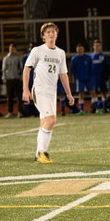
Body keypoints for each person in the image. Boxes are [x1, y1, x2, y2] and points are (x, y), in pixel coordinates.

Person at [22, 23, 74, 163]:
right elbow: (26, 69)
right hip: (40, 89)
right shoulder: (37, 50)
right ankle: (42, 153)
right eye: (48, 32)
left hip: (52, 92)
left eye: (53, 31)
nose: (51, 34)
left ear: (56, 34)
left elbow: (63, 74)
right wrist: (25, 89)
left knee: (45, 121)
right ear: (43, 36)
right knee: (51, 120)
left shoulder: (60, 53)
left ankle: (38, 154)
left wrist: (69, 94)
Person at [71, 43, 96, 114]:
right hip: (80, 79)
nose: (80, 50)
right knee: (81, 94)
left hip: (89, 78)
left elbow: (91, 67)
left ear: (83, 49)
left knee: (92, 92)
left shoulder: (88, 57)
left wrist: (89, 76)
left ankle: (95, 108)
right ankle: (81, 110)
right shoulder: (74, 59)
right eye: (78, 49)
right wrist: (78, 77)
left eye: (81, 49)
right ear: (76, 50)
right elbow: (73, 70)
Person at [1, 42, 24, 118]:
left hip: (17, 78)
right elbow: (4, 69)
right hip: (9, 79)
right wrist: (4, 78)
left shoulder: (19, 57)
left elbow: (21, 68)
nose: (12, 50)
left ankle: (20, 112)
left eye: (13, 49)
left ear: (15, 49)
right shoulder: (6, 58)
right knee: (9, 97)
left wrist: (21, 77)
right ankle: (10, 112)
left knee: (19, 96)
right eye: (11, 48)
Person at [90, 39, 110, 114]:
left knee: (103, 92)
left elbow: (108, 67)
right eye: (96, 45)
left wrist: (107, 76)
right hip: (93, 78)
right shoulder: (90, 56)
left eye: (98, 46)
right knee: (93, 92)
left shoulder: (103, 56)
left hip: (102, 77)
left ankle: (105, 107)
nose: (97, 47)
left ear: (101, 47)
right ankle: (95, 108)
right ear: (93, 46)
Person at [20, 43, 39, 117]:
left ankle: (36, 111)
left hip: (37, 78)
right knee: (28, 94)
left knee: (36, 94)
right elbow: (24, 68)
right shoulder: (25, 57)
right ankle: (27, 111)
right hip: (29, 78)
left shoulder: (39, 56)